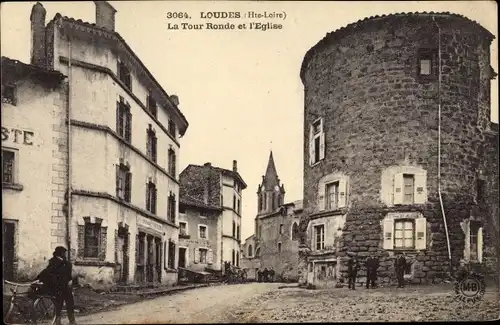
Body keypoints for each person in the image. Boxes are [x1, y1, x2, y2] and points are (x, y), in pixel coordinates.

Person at [36, 246, 77, 325]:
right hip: (58, 287)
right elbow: (46, 272)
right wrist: (38, 278)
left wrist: (70, 280)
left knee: (70, 303)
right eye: (64, 253)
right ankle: (57, 321)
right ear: (60, 253)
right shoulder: (53, 262)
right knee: (59, 304)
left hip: (66, 287)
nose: (65, 254)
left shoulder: (66, 263)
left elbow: (68, 275)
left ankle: (72, 321)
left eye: (65, 253)